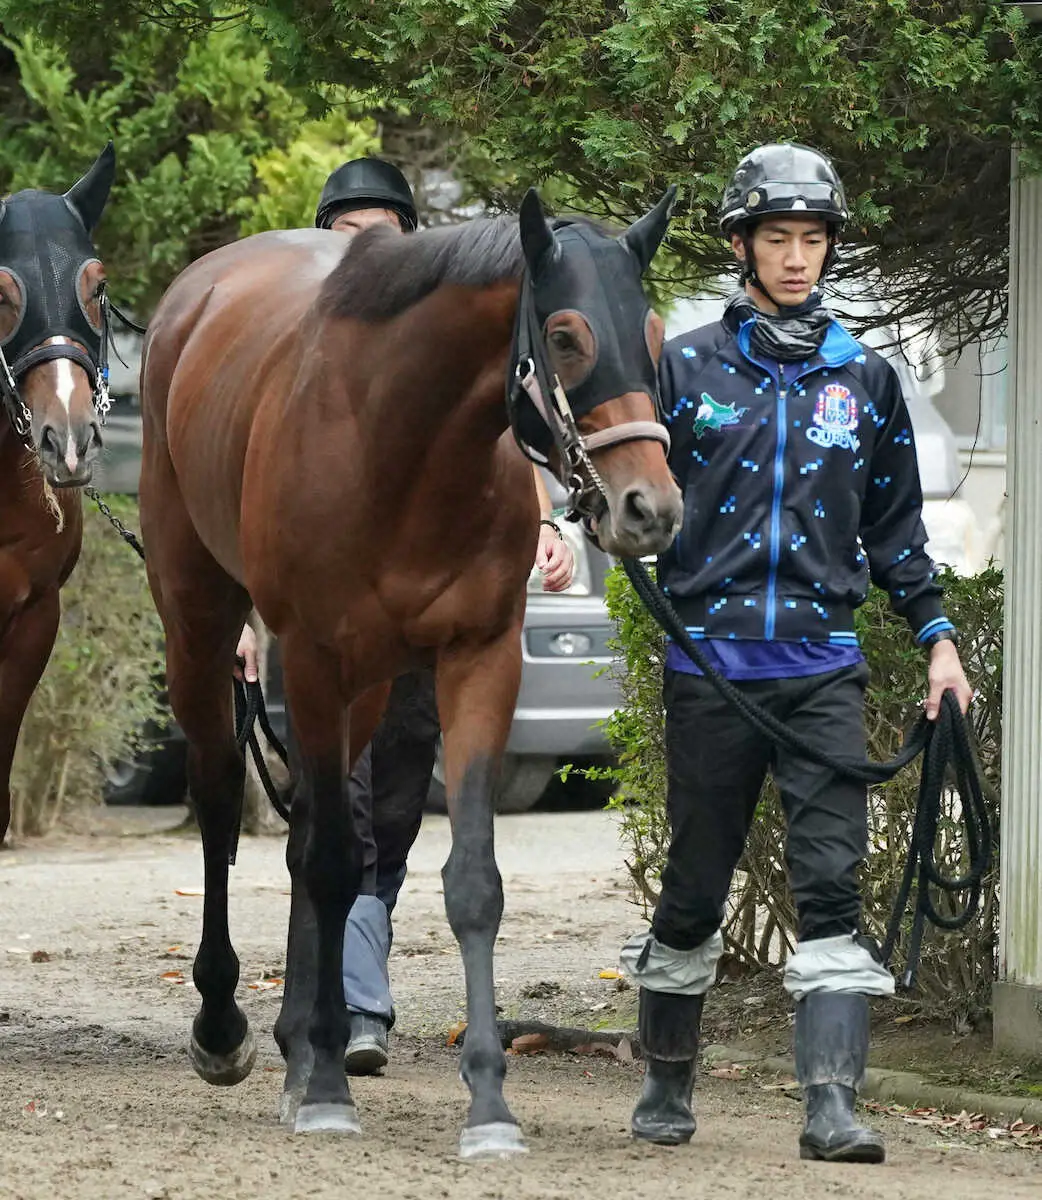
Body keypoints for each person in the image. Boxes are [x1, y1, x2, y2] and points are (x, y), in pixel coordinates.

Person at [619, 144, 972, 1163]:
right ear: (741, 246)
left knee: (830, 883)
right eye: (776, 238)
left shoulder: (862, 380)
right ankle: (666, 1081)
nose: (794, 257)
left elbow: (897, 533)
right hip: (712, 670)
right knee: (694, 883)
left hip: (821, 666)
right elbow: (629, 489)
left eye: (811, 240)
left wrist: (940, 641)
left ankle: (829, 1106)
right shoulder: (681, 368)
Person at [236, 157, 575, 1075]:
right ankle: (349, 1004)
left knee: (394, 804)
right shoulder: (310, 375)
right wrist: (246, 613)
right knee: (335, 800)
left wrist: (546, 523)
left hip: (429, 625)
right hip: (336, 632)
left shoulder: (451, 362)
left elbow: (506, 431)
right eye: (348, 234)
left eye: (385, 231)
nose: (367, 250)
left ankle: (364, 992)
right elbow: (255, 512)